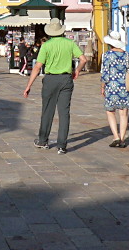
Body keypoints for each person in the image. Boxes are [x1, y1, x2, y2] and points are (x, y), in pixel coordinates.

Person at [23, 18, 86, 155]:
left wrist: (29, 85)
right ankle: (62, 145)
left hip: (50, 79)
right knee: (64, 112)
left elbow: (37, 67)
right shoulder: (70, 43)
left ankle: (43, 140)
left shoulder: (46, 45)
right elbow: (83, 59)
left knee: (47, 110)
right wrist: (77, 70)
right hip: (66, 79)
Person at [100, 30, 129, 148]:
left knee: (110, 111)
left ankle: (116, 137)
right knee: (123, 113)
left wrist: (102, 87)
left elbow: (105, 73)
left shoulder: (107, 55)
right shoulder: (126, 55)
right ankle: (122, 139)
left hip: (112, 86)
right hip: (125, 86)